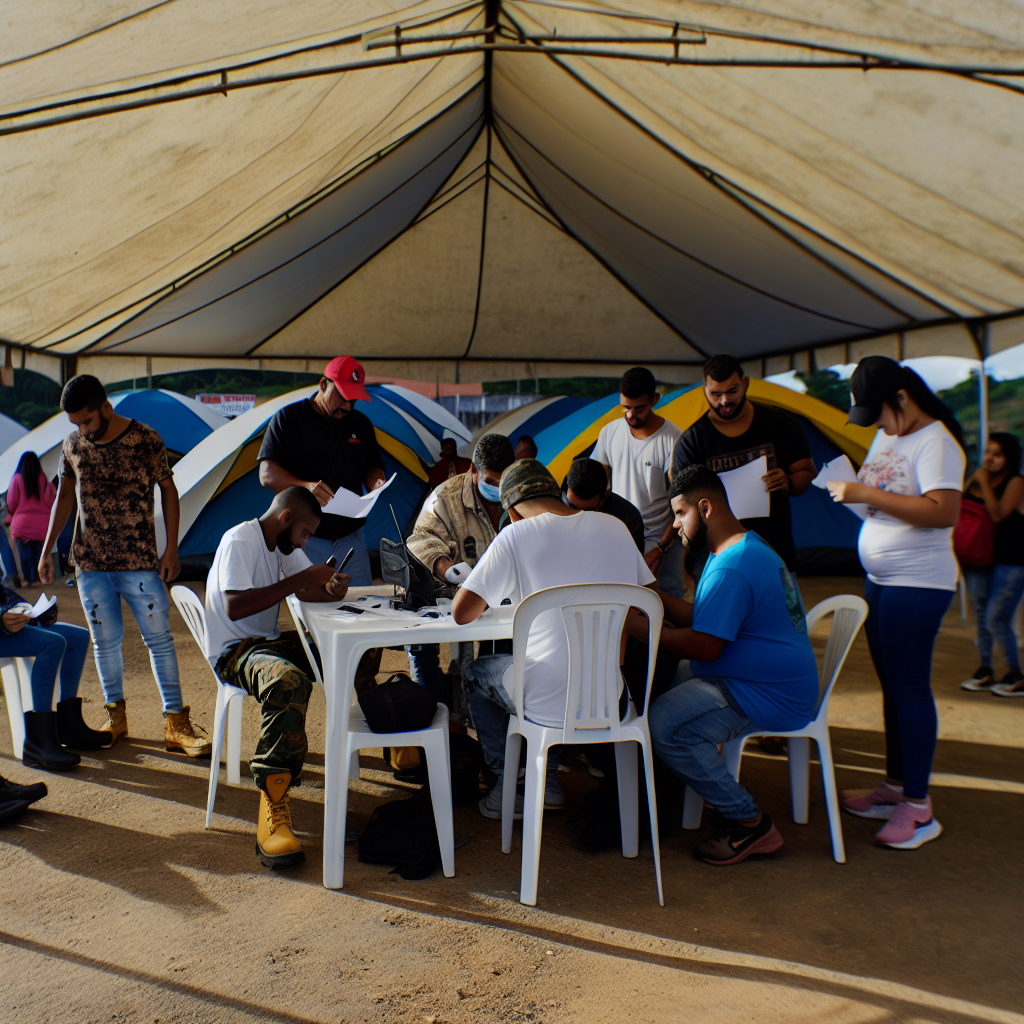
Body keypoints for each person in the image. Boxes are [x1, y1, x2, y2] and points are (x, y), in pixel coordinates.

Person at [451, 459, 655, 818]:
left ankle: (512, 783)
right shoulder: (617, 527)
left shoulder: (515, 534)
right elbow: (647, 597)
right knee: (556, 673)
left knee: (477, 674)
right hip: (611, 697)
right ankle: (551, 782)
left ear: (512, 512)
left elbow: (461, 612)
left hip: (545, 704)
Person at [644, 466, 818, 866]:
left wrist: (642, 630)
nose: (675, 525)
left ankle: (750, 822)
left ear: (704, 508)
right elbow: (703, 617)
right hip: (767, 679)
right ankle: (678, 786)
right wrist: (651, 595)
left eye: (679, 513)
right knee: (676, 679)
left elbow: (705, 646)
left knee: (663, 724)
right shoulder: (742, 547)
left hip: (768, 693)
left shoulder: (732, 565)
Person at [827, 356, 965, 849]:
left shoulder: (937, 441)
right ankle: (895, 787)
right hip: (882, 578)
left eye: (880, 414)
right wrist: (859, 496)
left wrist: (867, 492)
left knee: (909, 689)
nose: (878, 426)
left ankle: (919, 807)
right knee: (893, 687)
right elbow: (886, 495)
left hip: (918, 581)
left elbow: (943, 511)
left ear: (901, 400)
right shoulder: (890, 435)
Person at [38, 375, 210, 757]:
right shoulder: (72, 444)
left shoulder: (146, 439)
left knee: (160, 641)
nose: (82, 430)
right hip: (90, 565)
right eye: (75, 425)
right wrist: (47, 548)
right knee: (105, 643)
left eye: (87, 421)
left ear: (106, 408)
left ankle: (175, 723)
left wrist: (171, 551)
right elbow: (65, 495)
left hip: (140, 563)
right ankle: (116, 717)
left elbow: (168, 488)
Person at [204, 487, 351, 868]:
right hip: (235, 651)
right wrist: (297, 585)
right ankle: (273, 804)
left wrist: (332, 589)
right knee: (286, 682)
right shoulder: (241, 540)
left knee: (352, 650)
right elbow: (237, 606)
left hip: (265, 643)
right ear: (286, 519)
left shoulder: (282, 546)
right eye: (304, 533)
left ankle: (389, 738)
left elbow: (310, 591)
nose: (305, 542)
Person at [671, 355, 815, 573]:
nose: (724, 401)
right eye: (716, 394)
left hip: (774, 551)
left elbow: (806, 471)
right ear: (704, 390)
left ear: (745, 383)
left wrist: (789, 482)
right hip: (718, 558)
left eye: (732, 391)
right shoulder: (692, 441)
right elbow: (681, 501)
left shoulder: (780, 424)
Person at [258, 356, 385, 588]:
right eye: (342, 396)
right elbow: (266, 474)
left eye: (353, 399)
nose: (347, 406)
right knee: (310, 606)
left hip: (351, 536)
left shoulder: (361, 424)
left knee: (363, 604)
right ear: (323, 384)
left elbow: (373, 467)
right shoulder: (288, 418)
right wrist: (305, 487)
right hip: (305, 538)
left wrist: (377, 482)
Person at [406, 434, 516, 701]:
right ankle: (436, 714)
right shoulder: (444, 498)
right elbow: (422, 539)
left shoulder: (519, 494)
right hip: (451, 593)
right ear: (473, 471)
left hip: (504, 600)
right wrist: (446, 569)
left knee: (503, 656)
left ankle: (491, 709)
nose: (498, 488)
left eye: (503, 481)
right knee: (422, 646)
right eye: (490, 482)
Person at [591, 367, 683, 596]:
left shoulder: (673, 439)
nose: (631, 415)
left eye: (639, 408)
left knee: (664, 603)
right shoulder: (609, 433)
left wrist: (661, 548)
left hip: (660, 543)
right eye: (626, 407)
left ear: (655, 399)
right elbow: (596, 486)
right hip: (617, 539)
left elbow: (682, 505)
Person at [959, 433, 1024, 696]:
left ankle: (1015, 675)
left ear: (1009, 457)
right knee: (983, 613)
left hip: (1011, 560)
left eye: (997, 454)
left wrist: (982, 482)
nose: (990, 459)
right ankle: (986, 669)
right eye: (988, 452)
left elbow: (997, 515)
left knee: (997, 617)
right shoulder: (979, 478)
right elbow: (959, 506)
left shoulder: (1016, 481)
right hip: (981, 556)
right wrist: (973, 481)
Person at [563, 458, 645, 552]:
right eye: (572, 507)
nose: (579, 515)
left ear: (606, 495)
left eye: (588, 510)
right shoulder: (555, 506)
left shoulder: (629, 521)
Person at [6, 452, 55, 586]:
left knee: (23, 555)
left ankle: (27, 580)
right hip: (41, 526)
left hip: (22, 526)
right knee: (39, 554)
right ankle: (40, 578)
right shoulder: (43, 479)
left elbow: (11, 502)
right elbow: (49, 502)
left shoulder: (16, 479)